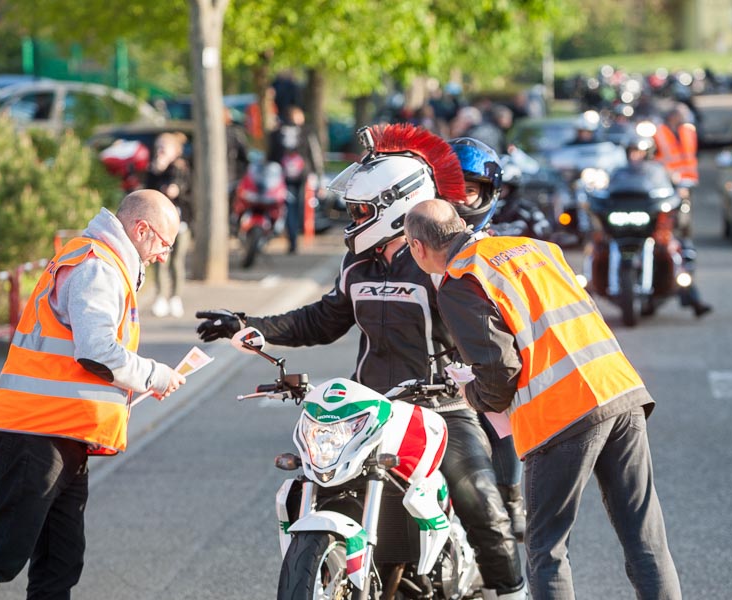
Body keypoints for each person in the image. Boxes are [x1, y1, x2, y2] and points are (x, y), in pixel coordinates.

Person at [197, 124, 527, 600]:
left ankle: (512, 592)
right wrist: (249, 324)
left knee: (479, 496)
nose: (352, 219)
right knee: (318, 481)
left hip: (443, 408)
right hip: (372, 405)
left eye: (360, 210)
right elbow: (322, 321)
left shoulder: (442, 264)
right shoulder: (358, 265)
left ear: (395, 207)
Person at [404, 198, 682, 600]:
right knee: (645, 538)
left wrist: (471, 393)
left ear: (417, 247)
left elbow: (500, 374)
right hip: (620, 390)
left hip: (562, 414)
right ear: (461, 223)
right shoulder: (534, 248)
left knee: (546, 550)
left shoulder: (461, 279)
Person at [0, 190, 187, 599]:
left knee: (61, 561)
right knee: (2, 553)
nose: (163, 256)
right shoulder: (98, 266)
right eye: (165, 244)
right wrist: (153, 375)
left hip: (58, 434)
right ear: (141, 229)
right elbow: (96, 351)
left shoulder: (101, 262)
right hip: (37, 432)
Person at [449, 136, 525, 541]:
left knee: (501, 417)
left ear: (489, 194)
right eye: (450, 190)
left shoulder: (498, 247)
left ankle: (512, 499)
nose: (460, 201)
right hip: (432, 374)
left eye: (470, 190)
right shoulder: (413, 246)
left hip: (485, 366)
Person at [620, 136, 712, 317]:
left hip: (653, 228)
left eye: (639, 152)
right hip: (625, 227)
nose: (635, 156)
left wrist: (679, 190)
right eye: (632, 152)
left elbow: (675, 192)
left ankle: (693, 298)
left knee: (677, 252)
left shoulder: (659, 171)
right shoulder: (619, 173)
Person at [145, 132, 192, 318]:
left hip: (181, 221)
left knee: (177, 260)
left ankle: (175, 297)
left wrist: (173, 185)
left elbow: (178, 189)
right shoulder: (153, 169)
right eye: (159, 147)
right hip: (159, 223)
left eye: (165, 147)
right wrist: (156, 172)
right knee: (159, 260)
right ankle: (161, 297)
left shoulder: (181, 167)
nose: (161, 151)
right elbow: (148, 194)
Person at [267, 106, 323, 254]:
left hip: (283, 175)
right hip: (301, 176)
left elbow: (271, 155)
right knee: (298, 207)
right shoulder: (306, 132)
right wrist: (318, 174)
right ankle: (294, 235)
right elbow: (314, 154)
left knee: (289, 206)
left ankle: (292, 236)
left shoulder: (277, 133)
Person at [653, 103, 699, 236]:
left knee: (684, 212)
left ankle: (684, 236)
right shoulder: (659, 131)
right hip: (665, 179)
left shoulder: (688, 131)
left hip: (687, 179)